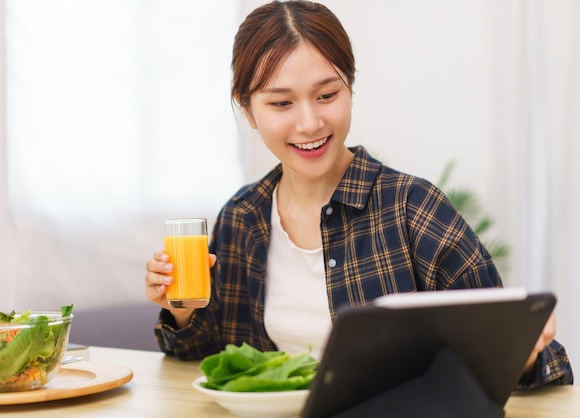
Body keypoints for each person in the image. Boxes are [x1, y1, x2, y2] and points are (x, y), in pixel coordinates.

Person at [145, 0, 573, 389]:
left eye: (327, 95)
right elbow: (200, 360)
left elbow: (535, 367)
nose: (310, 123)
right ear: (247, 110)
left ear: (350, 86)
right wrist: (180, 308)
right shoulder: (242, 217)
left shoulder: (413, 208)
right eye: (281, 104)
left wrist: (524, 353)